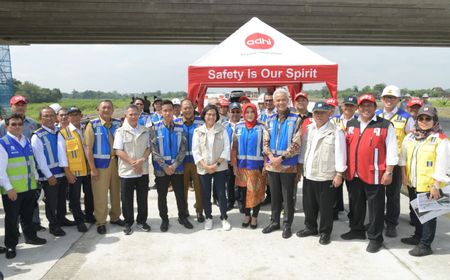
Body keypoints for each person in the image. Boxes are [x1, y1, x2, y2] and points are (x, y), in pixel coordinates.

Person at [341, 94, 398, 253]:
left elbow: (392, 150)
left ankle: (375, 238)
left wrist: (389, 172)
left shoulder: (385, 125)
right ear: (358, 108)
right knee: (356, 204)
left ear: (375, 107)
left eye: (369, 106)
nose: (366, 109)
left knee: (375, 208)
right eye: (363, 106)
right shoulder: (351, 124)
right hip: (354, 174)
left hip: (375, 174)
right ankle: (357, 230)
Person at [399, 106, 449, 256]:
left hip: (430, 185)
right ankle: (418, 236)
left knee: (428, 215)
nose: (424, 121)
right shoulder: (410, 137)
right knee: (417, 212)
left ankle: (426, 245)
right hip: (414, 182)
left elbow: (443, 165)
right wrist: (404, 176)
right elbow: (403, 159)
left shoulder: (441, 140)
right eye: (421, 118)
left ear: (434, 120)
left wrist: (436, 185)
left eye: (428, 118)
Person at [297, 102, 347, 245]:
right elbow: (304, 150)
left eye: (322, 112)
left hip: (326, 175)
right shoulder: (309, 128)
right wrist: (300, 168)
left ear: (329, 113)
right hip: (309, 173)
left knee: (325, 208)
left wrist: (339, 174)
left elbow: (340, 154)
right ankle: (310, 227)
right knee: (309, 205)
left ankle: (325, 232)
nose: (318, 115)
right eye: (316, 112)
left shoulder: (336, 131)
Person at [0, 114, 47, 259]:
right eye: (13, 124)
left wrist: (36, 180)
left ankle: (31, 237)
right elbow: (0, 170)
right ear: (7, 126)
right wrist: (9, 188)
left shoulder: (26, 140)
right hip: (13, 190)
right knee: (12, 219)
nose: (17, 127)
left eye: (19, 124)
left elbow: (31, 163)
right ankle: (10, 245)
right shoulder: (3, 143)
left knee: (27, 216)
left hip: (29, 187)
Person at [262, 88, 302, 239]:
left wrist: (281, 158)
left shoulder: (296, 119)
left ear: (288, 101)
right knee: (275, 196)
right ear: (274, 102)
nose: (280, 102)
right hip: (272, 165)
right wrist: (272, 157)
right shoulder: (269, 120)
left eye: (283, 99)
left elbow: (296, 143)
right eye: (277, 100)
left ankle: (287, 224)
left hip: (287, 165)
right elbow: (265, 141)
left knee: (287, 197)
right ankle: (274, 222)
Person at [0, 95, 43, 232]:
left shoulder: (32, 123)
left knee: (31, 202)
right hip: (10, 170)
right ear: (11, 106)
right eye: (17, 104)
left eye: (23, 104)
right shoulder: (2, 126)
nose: (20, 107)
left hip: (30, 168)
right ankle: (15, 231)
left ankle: (34, 226)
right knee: (13, 208)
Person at [376, 85, 414, 237]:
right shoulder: (376, 114)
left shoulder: (406, 118)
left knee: (393, 196)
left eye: (392, 98)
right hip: (377, 162)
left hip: (396, 164)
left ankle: (391, 224)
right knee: (376, 195)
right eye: (386, 97)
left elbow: (410, 141)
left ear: (398, 100)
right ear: (382, 99)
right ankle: (376, 221)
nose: (389, 100)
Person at [31, 107, 76, 237]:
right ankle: (53, 225)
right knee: (51, 202)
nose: (49, 118)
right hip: (50, 176)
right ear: (40, 119)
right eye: (46, 116)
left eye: (51, 115)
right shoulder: (37, 136)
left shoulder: (60, 132)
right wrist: (48, 175)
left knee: (61, 199)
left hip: (62, 172)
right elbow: (40, 159)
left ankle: (62, 219)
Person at [150, 100, 193, 232]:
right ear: (161, 112)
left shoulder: (180, 128)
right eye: (165, 111)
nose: (168, 113)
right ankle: (164, 219)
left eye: (170, 110)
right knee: (162, 196)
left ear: (174, 111)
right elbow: (154, 150)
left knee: (180, 195)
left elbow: (183, 148)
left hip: (177, 169)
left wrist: (173, 166)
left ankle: (182, 217)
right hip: (161, 170)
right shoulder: (154, 128)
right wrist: (164, 167)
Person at [84, 100, 125, 234]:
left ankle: (115, 217)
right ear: (98, 110)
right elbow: (88, 149)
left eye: (109, 108)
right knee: (100, 195)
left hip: (116, 163)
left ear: (113, 110)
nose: (106, 110)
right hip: (100, 166)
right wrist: (92, 169)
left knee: (115, 192)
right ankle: (101, 221)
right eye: (104, 108)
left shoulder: (118, 124)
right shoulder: (92, 125)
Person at [192, 104, 231, 231]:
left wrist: (216, 164)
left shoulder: (222, 129)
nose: (211, 117)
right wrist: (205, 166)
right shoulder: (198, 131)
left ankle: (224, 217)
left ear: (217, 116)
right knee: (205, 194)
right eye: (208, 114)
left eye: (214, 114)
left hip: (219, 167)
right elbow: (195, 151)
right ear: (204, 115)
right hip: (204, 167)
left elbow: (226, 149)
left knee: (221, 193)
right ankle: (208, 217)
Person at [114, 105, 151, 235]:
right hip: (126, 171)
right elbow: (118, 150)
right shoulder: (120, 131)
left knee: (142, 198)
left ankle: (141, 221)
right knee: (126, 199)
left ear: (139, 115)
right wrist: (132, 163)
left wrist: (141, 161)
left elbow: (148, 149)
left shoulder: (145, 130)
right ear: (126, 115)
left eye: (136, 114)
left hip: (142, 170)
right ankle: (128, 222)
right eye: (131, 114)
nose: (133, 117)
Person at [57, 106, 95, 233]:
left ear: (81, 115)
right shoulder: (64, 133)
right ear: (68, 117)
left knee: (90, 194)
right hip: (75, 171)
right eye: (71, 115)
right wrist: (67, 172)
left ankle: (89, 215)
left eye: (77, 114)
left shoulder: (86, 129)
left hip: (88, 170)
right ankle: (79, 221)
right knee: (75, 197)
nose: (74, 117)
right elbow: (62, 155)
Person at [232, 103, 267, 229]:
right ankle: (247, 215)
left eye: (252, 112)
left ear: (256, 113)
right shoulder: (238, 127)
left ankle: (254, 217)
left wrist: (265, 164)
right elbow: (234, 148)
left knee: (256, 192)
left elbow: (265, 147)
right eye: (247, 112)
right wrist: (234, 164)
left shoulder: (262, 127)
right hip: (241, 167)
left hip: (256, 167)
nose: (249, 115)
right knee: (243, 193)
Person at [175, 99, 204, 223]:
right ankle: (184, 211)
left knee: (199, 188)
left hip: (197, 161)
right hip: (181, 162)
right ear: (181, 109)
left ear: (194, 108)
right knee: (182, 189)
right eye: (185, 108)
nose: (187, 110)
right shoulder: (176, 123)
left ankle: (199, 211)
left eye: (190, 108)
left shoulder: (200, 122)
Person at [331, 95, 358, 219]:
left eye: (351, 106)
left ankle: (354, 214)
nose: (348, 108)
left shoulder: (359, 121)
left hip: (353, 160)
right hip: (338, 158)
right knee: (335, 187)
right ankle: (335, 211)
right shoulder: (333, 120)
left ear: (356, 107)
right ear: (341, 106)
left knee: (353, 191)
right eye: (346, 105)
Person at [223, 102, 242, 211]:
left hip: (240, 159)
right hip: (228, 159)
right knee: (230, 181)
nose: (235, 114)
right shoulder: (224, 126)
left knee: (240, 181)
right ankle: (230, 201)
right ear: (228, 113)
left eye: (237, 111)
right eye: (232, 112)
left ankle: (240, 201)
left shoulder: (244, 125)